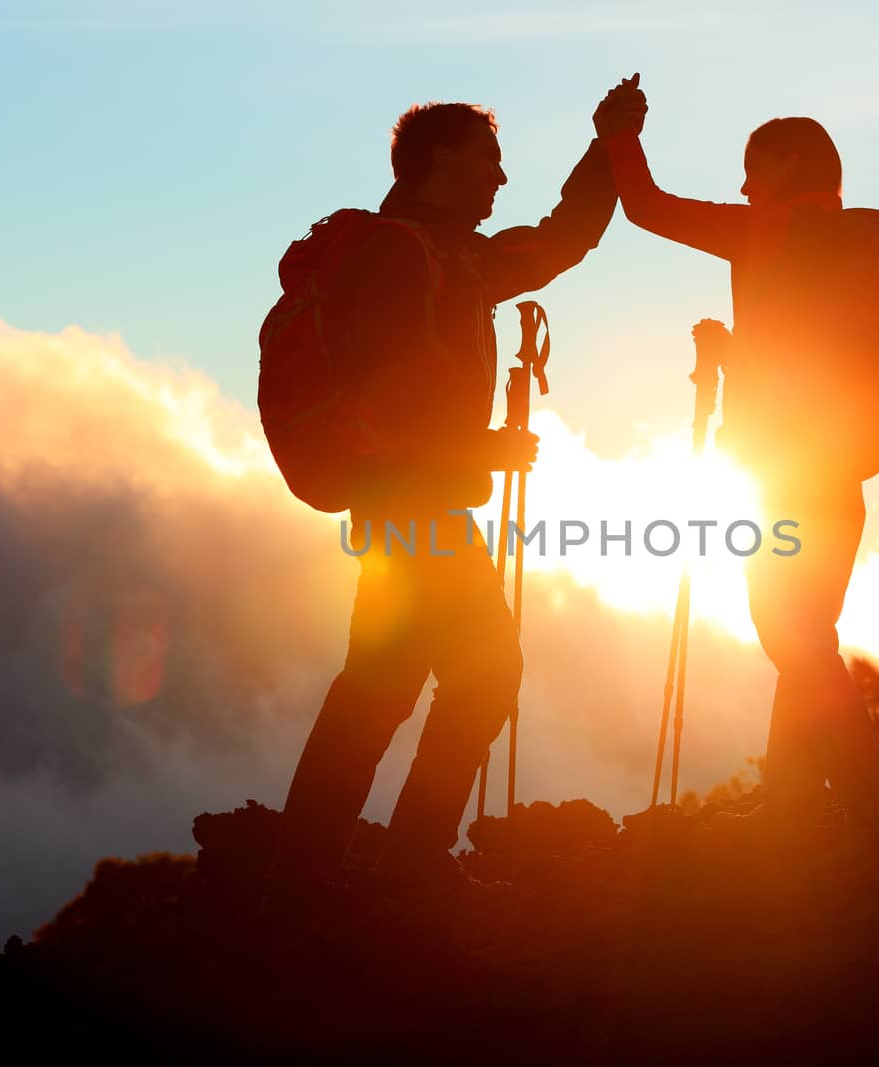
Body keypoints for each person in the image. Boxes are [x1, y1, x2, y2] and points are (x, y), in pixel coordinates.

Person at [266, 86, 639, 900]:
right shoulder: (398, 256)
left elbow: (561, 240)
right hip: (410, 501)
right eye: (490, 162)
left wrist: (608, 147)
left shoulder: (452, 257)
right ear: (439, 161)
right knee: (481, 673)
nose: (502, 180)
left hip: (412, 499)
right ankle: (401, 871)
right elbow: (386, 392)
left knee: (382, 682)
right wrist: (484, 446)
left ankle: (308, 869)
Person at [597, 79, 879, 827]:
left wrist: (618, 133)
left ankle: (878, 806)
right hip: (841, 474)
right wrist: (735, 353)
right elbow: (808, 365)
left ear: (789, 165)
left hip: (780, 477)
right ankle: (792, 803)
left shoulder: (763, 233)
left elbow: (647, 208)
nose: (743, 185)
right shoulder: (860, 247)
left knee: (791, 636)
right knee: (806, 637)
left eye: (755, 168)